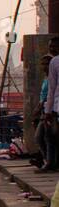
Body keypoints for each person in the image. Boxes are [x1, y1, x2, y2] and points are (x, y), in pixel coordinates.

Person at [44, 36, 59, 171]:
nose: (52, 49)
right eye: (50, 46)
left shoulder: (54, 62)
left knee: (51, 136)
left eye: (54, 46)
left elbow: (52, 88)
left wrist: (47, 112)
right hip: (56, 106)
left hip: (56, 107)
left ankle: (51, 163)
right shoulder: (54, 61)